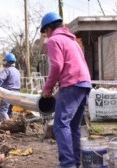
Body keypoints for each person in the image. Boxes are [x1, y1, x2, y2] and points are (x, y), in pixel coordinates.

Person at [40, 12, 92, 168]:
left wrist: (47, 89)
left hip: (71, 84)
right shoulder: (73, 41)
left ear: (49, 28)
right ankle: (75, 162)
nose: (45, 36)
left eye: (45, 32)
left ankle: (67, 164)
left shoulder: (54, 40)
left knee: (61, 125)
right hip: (84, 84)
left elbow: (57, 66)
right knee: (74, 126)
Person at [0, 53, 21, 121]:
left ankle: (7, 124)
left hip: (8, 92)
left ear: (7, 61)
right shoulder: (17, 71)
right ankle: (11, 124)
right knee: (9, 109)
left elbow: (0, 79)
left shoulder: (7, 70)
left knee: (3, 110)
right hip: (16, 92)